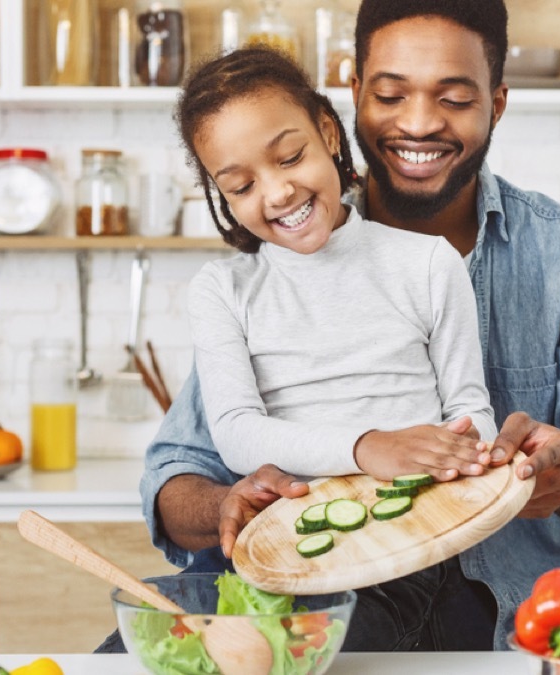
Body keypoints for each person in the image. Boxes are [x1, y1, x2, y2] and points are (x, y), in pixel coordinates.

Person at [134, 0, 560, 653]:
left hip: (507, 619)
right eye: (391, 94)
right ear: (353, 97)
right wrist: (228, 506)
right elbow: (180, 475)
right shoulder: (251, 280)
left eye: (453, 97)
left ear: (496, 103)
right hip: (301, 589)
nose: (419, 122)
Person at [180, 46, 497, 482]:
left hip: (427, 522)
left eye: (290, 157)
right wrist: (366, 448)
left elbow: (471, 410)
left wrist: (463, 450)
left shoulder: (428, 264)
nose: (276, 194)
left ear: (328, 133)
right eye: (241, 186)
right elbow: (236, 434)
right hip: (302, 539)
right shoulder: (221, 290)